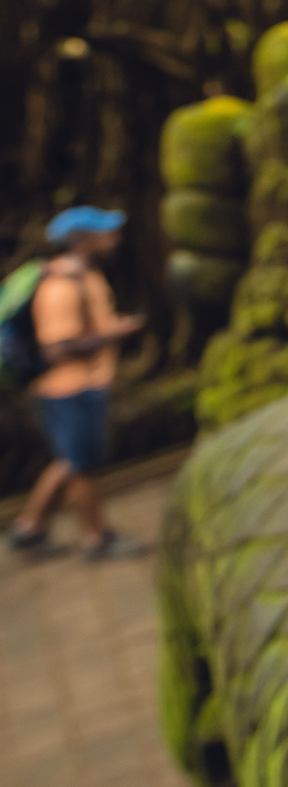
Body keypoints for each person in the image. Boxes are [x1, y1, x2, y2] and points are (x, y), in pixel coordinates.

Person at [7, 206, 149, 559]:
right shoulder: (61, 286)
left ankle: (30, 528)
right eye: (106, 231)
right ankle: (96, 538)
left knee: (71, 460)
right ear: (85, 240)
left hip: (86, 384)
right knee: (81, 466)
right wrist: (113, 334)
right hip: (67, 389)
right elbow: (57, 348)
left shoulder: (88, 277)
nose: (113, 238)